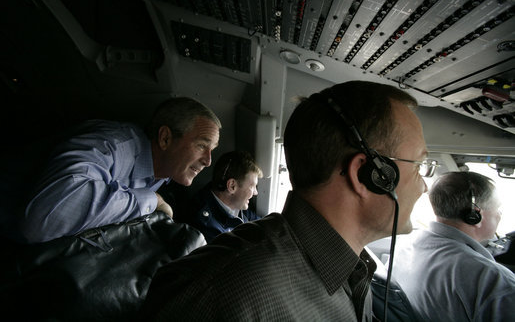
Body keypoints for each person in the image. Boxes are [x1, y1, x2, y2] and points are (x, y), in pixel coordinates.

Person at [141, 81, 430, 321]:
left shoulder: (353, 270)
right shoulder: (222, 296)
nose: (424, 186)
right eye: (418, 166)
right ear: (369, 175)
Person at [17, 97, 221, 244]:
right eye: (202, 146)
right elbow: (41, 218)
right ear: (165, 138)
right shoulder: (112, 145)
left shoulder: (164, 174)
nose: (208, 161)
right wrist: (153, 200)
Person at [392, 171, 515, 321]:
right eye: (497, 209)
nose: (499, 216)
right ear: (475, 216)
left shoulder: (405, 247)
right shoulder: (494, 280)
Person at [187, 150, 262, 243]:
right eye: (252, 186)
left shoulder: (237, 204)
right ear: (232, 186)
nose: (256, 193)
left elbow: (261, 226)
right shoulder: (205, 225)